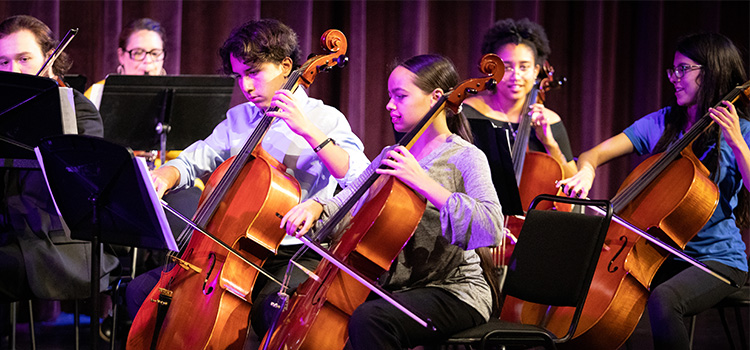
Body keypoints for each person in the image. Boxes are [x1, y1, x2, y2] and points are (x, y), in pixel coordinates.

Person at [125, 18, 370, 341]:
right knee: (140, 290)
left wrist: (308, 131)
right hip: (227, 248)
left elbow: (361, 177)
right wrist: (165, 176)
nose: (246, 87)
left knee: (272, 309)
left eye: (254, 73)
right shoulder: (239, 119)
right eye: (239, 76)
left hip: (293, 249)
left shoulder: (325, 118)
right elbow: (196, 158)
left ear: (286, 66)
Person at [279, 54, 504, 349]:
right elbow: (348, 202)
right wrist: (316, 207)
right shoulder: (392, 153)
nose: (389, 105)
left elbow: (491, 227)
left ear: (436, 98)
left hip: (454, 290)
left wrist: (422, 182)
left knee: (371, 320)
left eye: (400, 96)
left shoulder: (465, 156)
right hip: (394, 289)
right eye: (389, 96)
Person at [558, 32, 749, 349]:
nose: (674, 78)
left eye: (683, 69)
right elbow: (593, 155)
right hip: (662, 256)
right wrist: (587, 171)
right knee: (589, 291)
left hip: (717, 261)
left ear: (711, 70)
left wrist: (738, 145)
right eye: (672, 70)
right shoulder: (664, 122)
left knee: (665, 300)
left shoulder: (741, 131)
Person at [0, 15, 119, 300]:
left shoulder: (79, 110)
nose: (13, 70)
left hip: (57, 244)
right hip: (10, 233)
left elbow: (81, 187)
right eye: (4, 62)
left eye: (24, 59)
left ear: (49, 58)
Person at [464, 18, 576, 178]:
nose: (516, 76)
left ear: (536, 71)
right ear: (493, 69)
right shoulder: (468, 113)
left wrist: (549, 143)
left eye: (524, 67)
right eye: (507, 67)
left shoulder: (549, 121)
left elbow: (573, 187)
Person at [85, 18, 167, 107]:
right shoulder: (96, 94)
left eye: (155, 53)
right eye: (138, 53)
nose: (147, 61)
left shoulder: (174, 92)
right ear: (121, 56)